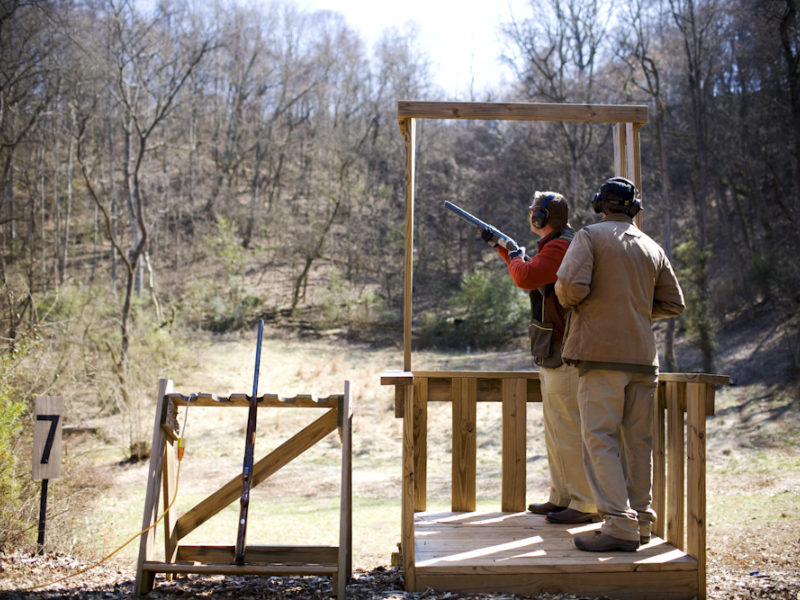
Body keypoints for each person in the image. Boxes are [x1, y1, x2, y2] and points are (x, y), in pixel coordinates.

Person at [554, 176, 685, 552]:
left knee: (600, 440)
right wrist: (634, 312)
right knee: (637, 443)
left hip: (601, 356)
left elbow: (570, 289)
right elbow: (673, 303)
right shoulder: (651, 246)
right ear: (634, 208)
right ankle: (641, 521)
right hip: (644, 360)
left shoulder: (589, 237)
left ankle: (618, 524)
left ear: (600, 204)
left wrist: (592, 307)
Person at [482, 191, 597, 525]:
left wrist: (513, 254)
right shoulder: (559, 244)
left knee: (569, 427)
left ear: (541, 218)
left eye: (534, 212)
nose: (531, 215)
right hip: (555, 348)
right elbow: (530, 273)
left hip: (565, 349)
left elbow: (526, 276)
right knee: (557, 428)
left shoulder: (562, 246)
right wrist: (506, 250)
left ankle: (584, 502)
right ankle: (563, 496)